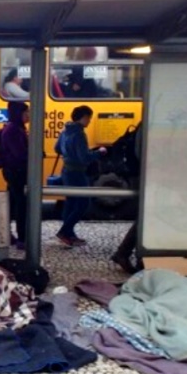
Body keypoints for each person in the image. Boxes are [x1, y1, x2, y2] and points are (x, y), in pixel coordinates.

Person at [55, 105, 106, 246]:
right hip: (77, 172)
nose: (89, 121)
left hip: (66, 171)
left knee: (70, 203)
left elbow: (57, 148)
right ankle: (65, 231)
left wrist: (69, 153)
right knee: (83, 203)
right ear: (83, 117)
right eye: (89, 118)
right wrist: (99, 152)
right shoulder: (79, 134)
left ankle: (70, 235)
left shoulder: (65, 130)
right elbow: (84, 158)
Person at [111, 121, 143, 273]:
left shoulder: (144, 126)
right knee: (146, 218)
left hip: (140, 174)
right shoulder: (148, 127)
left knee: (146, 217)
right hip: (143, 175)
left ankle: (124, 253)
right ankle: (124, 253)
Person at [0, 101, 30, 250]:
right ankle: (22, 238)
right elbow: (20, 154)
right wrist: (34, 152)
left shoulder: (15, 128)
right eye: (26, 112)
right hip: (16, 172)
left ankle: (6, 234)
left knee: (12, 203)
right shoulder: (14, 130)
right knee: (21, 205)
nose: (29, 115)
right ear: (19, 114)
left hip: (13, 171)